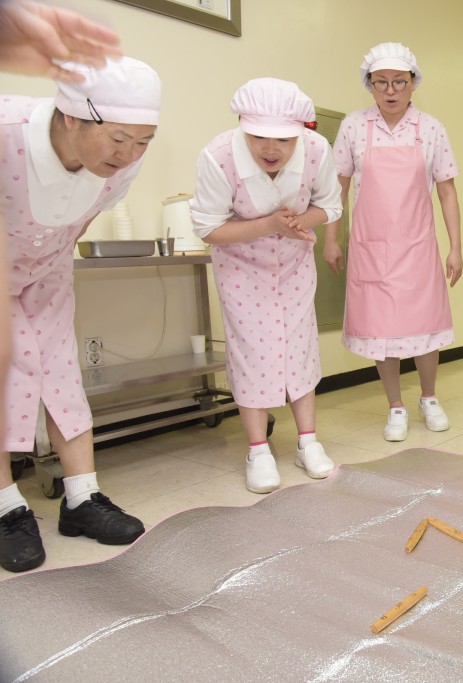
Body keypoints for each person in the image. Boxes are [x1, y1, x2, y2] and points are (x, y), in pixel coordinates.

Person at [0, 56, 160, 573]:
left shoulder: (122, 164)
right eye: (118, 139)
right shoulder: (6, 139)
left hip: (46, 268)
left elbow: (78, 219)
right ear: (71, 116)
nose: (130, 154)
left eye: (143, 141)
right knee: (6, 367)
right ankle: (5, 506)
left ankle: (81, 498)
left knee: (61, 371)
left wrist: (45, 262)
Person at [190, 78, 342, 494]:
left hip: (293, 265)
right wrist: (268, 226)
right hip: (241, 267)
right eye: (258, 137)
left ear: (300, 132)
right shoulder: (219, 156)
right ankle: (258, 449)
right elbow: (208, 228)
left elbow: (329, 205)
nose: (271, 149)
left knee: (300, 345)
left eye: (283, 140)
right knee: (252, 351)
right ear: (242, 124)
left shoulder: (316, 150)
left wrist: (294, 224)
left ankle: (307, 442)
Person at [330, 42, 462, 442]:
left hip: (418, 245)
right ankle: (395, 405)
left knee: (425, 326)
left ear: (412, 84)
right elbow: (338, 187)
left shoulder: (431, 128)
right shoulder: (354, 126)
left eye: (399, 83)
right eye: (381, 82)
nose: (390, 90)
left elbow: (447, 192)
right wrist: (331, 240)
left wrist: (456, 246)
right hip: (371, 245)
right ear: (370, 85)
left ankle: (428, 397)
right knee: (381, 331)